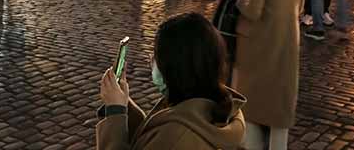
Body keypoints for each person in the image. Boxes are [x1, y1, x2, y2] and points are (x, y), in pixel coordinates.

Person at [95, 13, 246, 150]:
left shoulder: (175, 137)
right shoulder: (210, 107)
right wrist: (124, 103)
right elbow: (152, 135)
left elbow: (162, 138)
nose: (151, 60)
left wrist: (116, 111)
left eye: (156, 55)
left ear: (174, 68)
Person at [226, 0, 304, 149]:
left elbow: (253, 11)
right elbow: (299, 7)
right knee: (279, 114)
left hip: (259, 45)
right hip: (287, 42)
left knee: (252, 110)